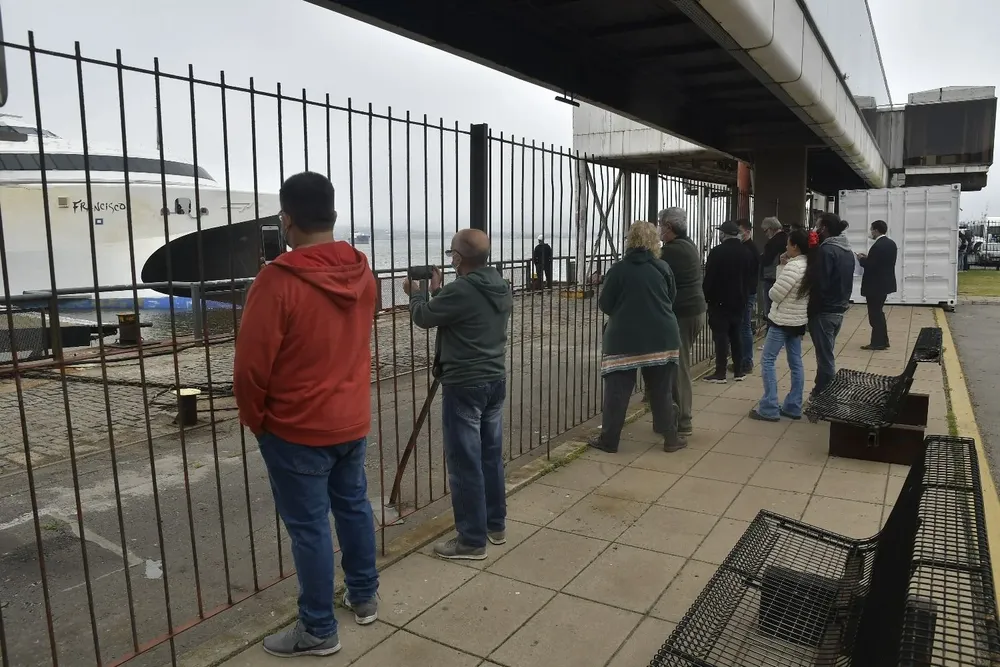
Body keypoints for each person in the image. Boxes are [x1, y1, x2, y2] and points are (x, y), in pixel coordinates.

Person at [233, 171, 379, 659]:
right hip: (350, 419)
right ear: (333, 215)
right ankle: (364, 596)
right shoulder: (363, 272)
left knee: (310, 527)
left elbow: (251, 367)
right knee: (353, 506)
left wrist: (256, 420)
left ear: (287, 219)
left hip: (296, 427)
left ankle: (317, 628)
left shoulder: (277, 281)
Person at [407, 229, 513, 560]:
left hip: (465, 383)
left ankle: (471, 540)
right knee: (490, 456)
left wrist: (417, 294)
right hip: (494, 379)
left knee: (464, 462)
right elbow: (463, 312)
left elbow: (424, 317)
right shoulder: (500, 284)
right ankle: (495, 525)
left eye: (451, 253)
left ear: (457, 257)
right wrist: (439, 291)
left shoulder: (463, 289)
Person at [591, 221, 685, 452]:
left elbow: (605, 304)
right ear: (654, 242)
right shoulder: (662, 267)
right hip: (662, 336)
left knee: (617, 391)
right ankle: (670, 438)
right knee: (661, 390)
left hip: (624, 339)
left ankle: (609, 440)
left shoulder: (618, 270)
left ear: (629, 241)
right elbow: (671, 297)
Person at [750, 229, 813, 422]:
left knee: (768, 360)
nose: (785, 247)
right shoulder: (809, 264)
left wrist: (781, 268)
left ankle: (769, 407)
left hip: (782, 321)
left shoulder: (793, 267)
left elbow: (775, 294)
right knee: (796, 363)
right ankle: (793, 406)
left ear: (795, 246)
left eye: (788, 244)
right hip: (798, 320)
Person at [658, 207, 706, 437]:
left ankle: (683, 420)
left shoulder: (671, 251)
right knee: (677, 363)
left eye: (660, 224)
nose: (658, 229)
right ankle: (673, 415)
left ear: (668, 226)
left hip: (683, 314)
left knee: (679, 366)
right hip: (695, 310)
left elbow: (653, 268)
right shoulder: (689, 245)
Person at [807, 212, 854, 397]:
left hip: (824, 311)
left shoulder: (826, 251)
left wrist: (811, 309)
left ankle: (828, 396)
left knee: (825, 357)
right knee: (825, 352)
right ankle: (819, 389)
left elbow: (820, 283)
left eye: (817, 225)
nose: (815, 229)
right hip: (839, 308)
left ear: (824, 228)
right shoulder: (847, 250)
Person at [703, 220, 753, 384]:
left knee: (721, 337)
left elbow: (710, 277)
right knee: (736, 335)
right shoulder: (746, 252)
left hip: (719, 301)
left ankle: (720, 372)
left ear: (723, 234)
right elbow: (749, 277)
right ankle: (739, 370)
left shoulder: (717, 252)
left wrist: (707, 296)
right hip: (739, 301)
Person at [857, 219, 898, 351]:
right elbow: (881, 262)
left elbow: (871, 265)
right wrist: (868, 258)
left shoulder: (877, 246)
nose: (870, 232)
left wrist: (861, 259)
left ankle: (877, 342)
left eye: (871, 229)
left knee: (874, 315)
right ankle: (883, 340)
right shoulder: (891, 244)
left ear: (876, 230)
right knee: (879, 312)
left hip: (875, 285)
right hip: (885, 284)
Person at [734, 218, 760, 374]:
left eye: (739, 231)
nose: (737, 234)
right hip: (747, 291)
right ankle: (743, 359)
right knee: (742, 326)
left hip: (747, 292)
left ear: (748, 232)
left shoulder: (750, 249)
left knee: (744, 327)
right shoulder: (747, 248)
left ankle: (746, 361)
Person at [758, 217, 787, 320]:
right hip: (783, 277)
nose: (765, 234)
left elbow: (767, 260)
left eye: (765, 231)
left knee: (770, 310)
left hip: (771, 277)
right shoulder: (787, 238)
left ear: (771, 228)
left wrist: (761, 257)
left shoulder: (773, 242)